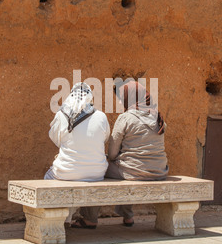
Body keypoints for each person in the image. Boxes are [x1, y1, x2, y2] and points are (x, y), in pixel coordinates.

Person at [72, 80, 168, 229]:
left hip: (135, 172)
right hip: (159, 171)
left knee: (96, 168)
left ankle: (90, 218)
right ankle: (128, 217)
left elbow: (112, 153)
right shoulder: (158, 118)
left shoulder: (126, 118)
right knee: (128, 165)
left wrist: (114, 158)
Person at [44, 82, 110, 226]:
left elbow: (55, 138)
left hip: (66, 172)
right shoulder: (101, 116)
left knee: (50, 177)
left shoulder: (61, 115)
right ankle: (87, 219)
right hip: (97, 173)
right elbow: (104, 139)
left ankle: (62, 219)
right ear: (90, 98)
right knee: (85, 177)